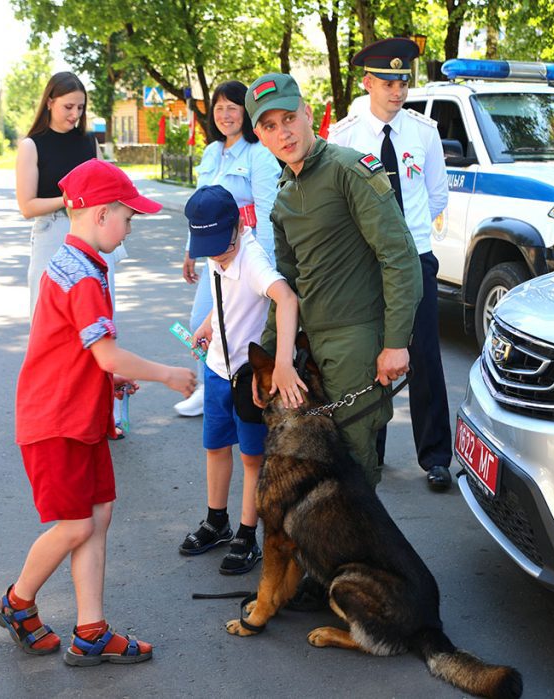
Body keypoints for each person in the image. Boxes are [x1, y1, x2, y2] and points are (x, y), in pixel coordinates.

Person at [0, 159, 196, 666]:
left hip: (78, 417)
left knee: (97, 517)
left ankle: (91, 632)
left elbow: (79, 348)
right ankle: (17, 603)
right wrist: (166, 374)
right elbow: (104, 351)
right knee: (77, 525)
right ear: (102, 214)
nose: (129, 229)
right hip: (55, 420)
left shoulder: (79, 262)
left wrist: (107, 379)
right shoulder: (81, 274)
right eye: (128, 218)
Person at [245, 72, 422, 489]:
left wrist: (396, 342)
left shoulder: (349, 170)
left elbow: (399, 256)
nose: (283, 133)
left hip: (357, 344)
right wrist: (269, 358)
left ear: (308, 114)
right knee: (320, 480)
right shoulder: (284, 194)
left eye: (289, 118)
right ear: (260, 136)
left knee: (354, 478)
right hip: (312, 349)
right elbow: (286, 284)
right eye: (270, 126)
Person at [329, 37, 453, 491]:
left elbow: (436, 193)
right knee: (370, 358)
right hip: (366, 263)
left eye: (403, 80)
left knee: (423, 356)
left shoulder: (423, 132)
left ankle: (437, 456)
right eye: (387, 82)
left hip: (416, 257)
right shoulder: (343, 137)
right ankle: (369, 456)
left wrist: (409, 235)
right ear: (367, 83)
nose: (397, 90)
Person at [176, 185, 305, 573]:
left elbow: (287, 299)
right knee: (215, 447)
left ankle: (247, 535)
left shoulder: (251, 258)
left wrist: (283, 362)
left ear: (238, 225)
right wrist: (206, 325)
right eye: (208, 245)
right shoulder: (220, 251)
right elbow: (222, 300)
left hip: (248, 381)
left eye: (221, 244)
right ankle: (217, 521)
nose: (216, 253)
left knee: (252, 459)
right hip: (217, 371)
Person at [16, 71, 129, 437]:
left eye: (80, 108)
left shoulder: (88, 143)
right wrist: (71, 201)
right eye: (68, 107)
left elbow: (104, 189)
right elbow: (27, 205)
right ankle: (52, 413)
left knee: (100, 324)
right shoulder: (32, 145)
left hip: (93, 237)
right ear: (49, 101)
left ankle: (104, 415)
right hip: (52, 234)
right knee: (50, 330)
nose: (74, 114)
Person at [174, 81, 282, 418]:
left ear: (246, 113)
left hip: (245, 253)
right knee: (200, 321)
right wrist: (192, 249)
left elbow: (267, 212)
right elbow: (199, 209)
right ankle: (212, 388)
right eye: (219, 108)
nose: (225, 115)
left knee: (237, 328)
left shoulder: (260, 154)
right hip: (214, 255)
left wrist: (262, 267)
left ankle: (245, 393)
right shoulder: (210, 153)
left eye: (232, 107)